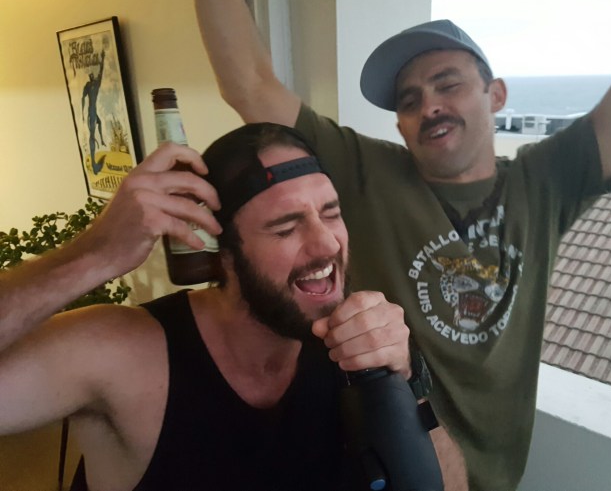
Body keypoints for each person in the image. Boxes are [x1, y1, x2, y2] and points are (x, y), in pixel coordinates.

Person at [192, 0, 611, 489]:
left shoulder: (545, 182)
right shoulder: (365, 173)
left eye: (448, 85)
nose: (428, 106)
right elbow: (249, 84)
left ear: (496, 95)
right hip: (393, 468)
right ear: (401, 127)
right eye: (409, 101)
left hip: (500, 478)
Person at [0, 123, 467, 491]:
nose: (326, 243)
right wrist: (94, 255)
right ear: (222, 254)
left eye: (331, 213)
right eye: (285, 227)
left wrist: (405, 381)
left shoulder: (350, 342)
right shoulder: (123, 354)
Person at [81, 49, 107, 175]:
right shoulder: (89, 85)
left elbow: (101, 72)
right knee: (92, 134)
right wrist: (82, 113)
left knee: (99, 124)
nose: (91, 74)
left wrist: (103, 59)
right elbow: (82, 98)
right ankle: (93, 164)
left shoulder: (94, 84)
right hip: (91, 110)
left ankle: (100, 141)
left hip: (93, 110)